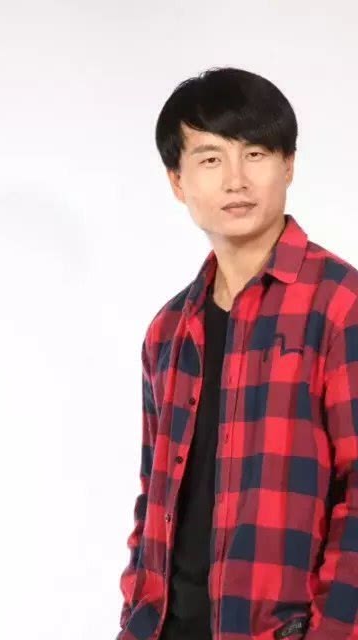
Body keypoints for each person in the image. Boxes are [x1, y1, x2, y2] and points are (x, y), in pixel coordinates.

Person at [115, 66, 358, 640]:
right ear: (178, 181)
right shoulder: (168, 332)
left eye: (255, 154)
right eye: (210, 158)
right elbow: (154, 494)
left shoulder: (339, 305)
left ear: (288, 165)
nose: (235, 180)